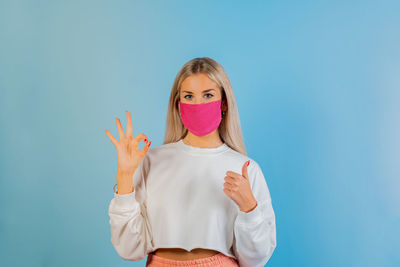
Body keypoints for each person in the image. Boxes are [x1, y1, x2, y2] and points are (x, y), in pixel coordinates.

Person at [105, 57, 277, 267]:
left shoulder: (246, 169)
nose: (198, 104)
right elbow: (129, 249)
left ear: (223, 102)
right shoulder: (152, 161)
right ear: (178, 104)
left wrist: (249, 208)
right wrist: (124, 177)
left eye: (208, 95)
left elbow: (256, 260)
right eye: (189, 96)